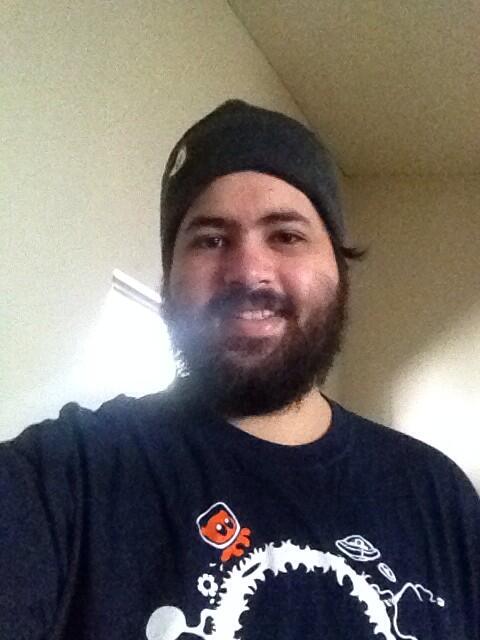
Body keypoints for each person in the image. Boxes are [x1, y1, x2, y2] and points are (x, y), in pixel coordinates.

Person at [1, 100, 479, 640]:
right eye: (210, 240)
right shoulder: (67, 475)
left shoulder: (440, 498)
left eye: (286, 235)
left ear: (338, 268)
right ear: (170, 275)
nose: (249, 272)